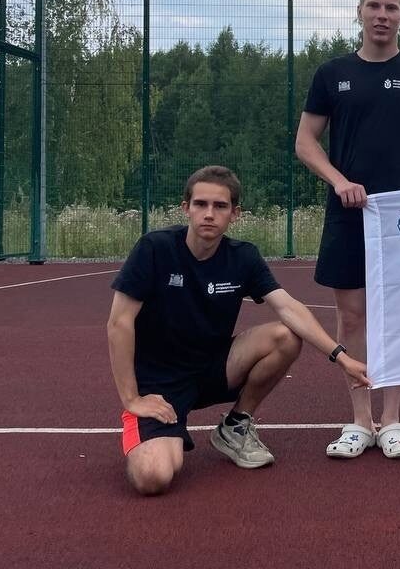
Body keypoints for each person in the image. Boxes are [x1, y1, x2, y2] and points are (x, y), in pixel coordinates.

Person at [108, 165, 370, 496]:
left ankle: (235, 426)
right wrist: (132, 398)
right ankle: (150, 430)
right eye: (200, 204)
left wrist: (342, 358)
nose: (209, 214)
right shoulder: (154, 249)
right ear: (185, 207)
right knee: (152, 477)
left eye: (220, 206)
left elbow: (288, 307)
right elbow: (119, 323)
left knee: (286, 336)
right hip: (160, 385)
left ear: (235, 213)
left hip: (214, 369)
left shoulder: (242, 257)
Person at [296, 0, 400, 460]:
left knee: (398, 315)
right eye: (374, 6)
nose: (382, 15)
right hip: (348, 214)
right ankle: (360, 421)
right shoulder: (332, 74)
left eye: (391, 8)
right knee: (353, 316)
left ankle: (393, 420)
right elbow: (305, 142)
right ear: (359, 11)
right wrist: (339, 180)